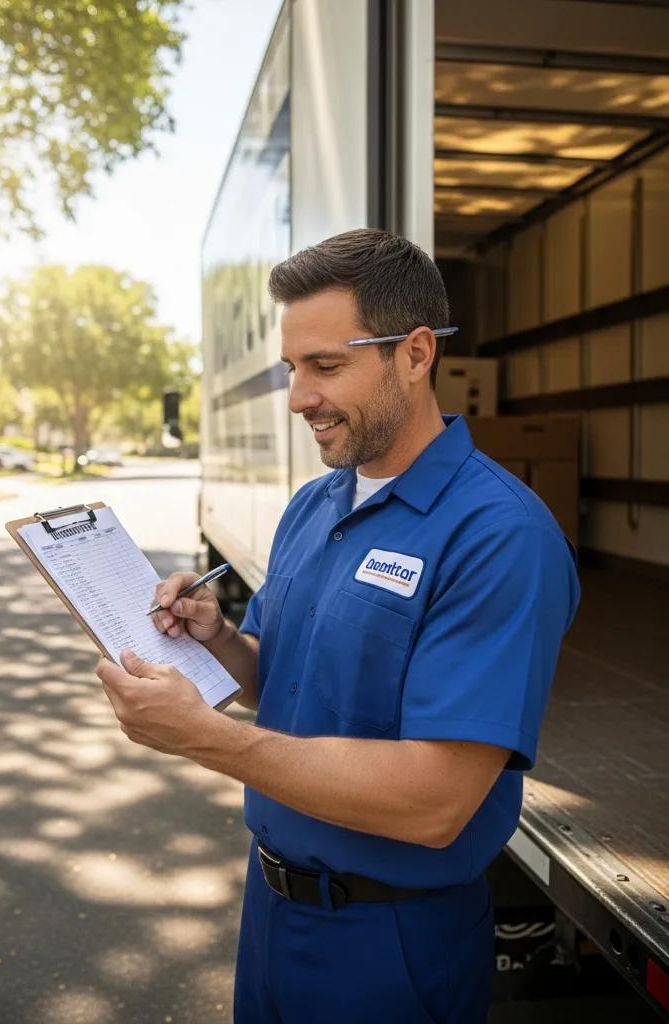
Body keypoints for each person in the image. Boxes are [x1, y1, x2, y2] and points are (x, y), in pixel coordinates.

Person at [96, 228, 580, 1023]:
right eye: (294, 368)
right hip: (271, 914)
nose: (298, 398)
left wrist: (203, 739)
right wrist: (218, 637)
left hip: (392, 945)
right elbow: (282, 685)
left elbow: (436, 803)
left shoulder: (499, 536)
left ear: (416, 354)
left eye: (326, 367)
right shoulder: (316, 504)